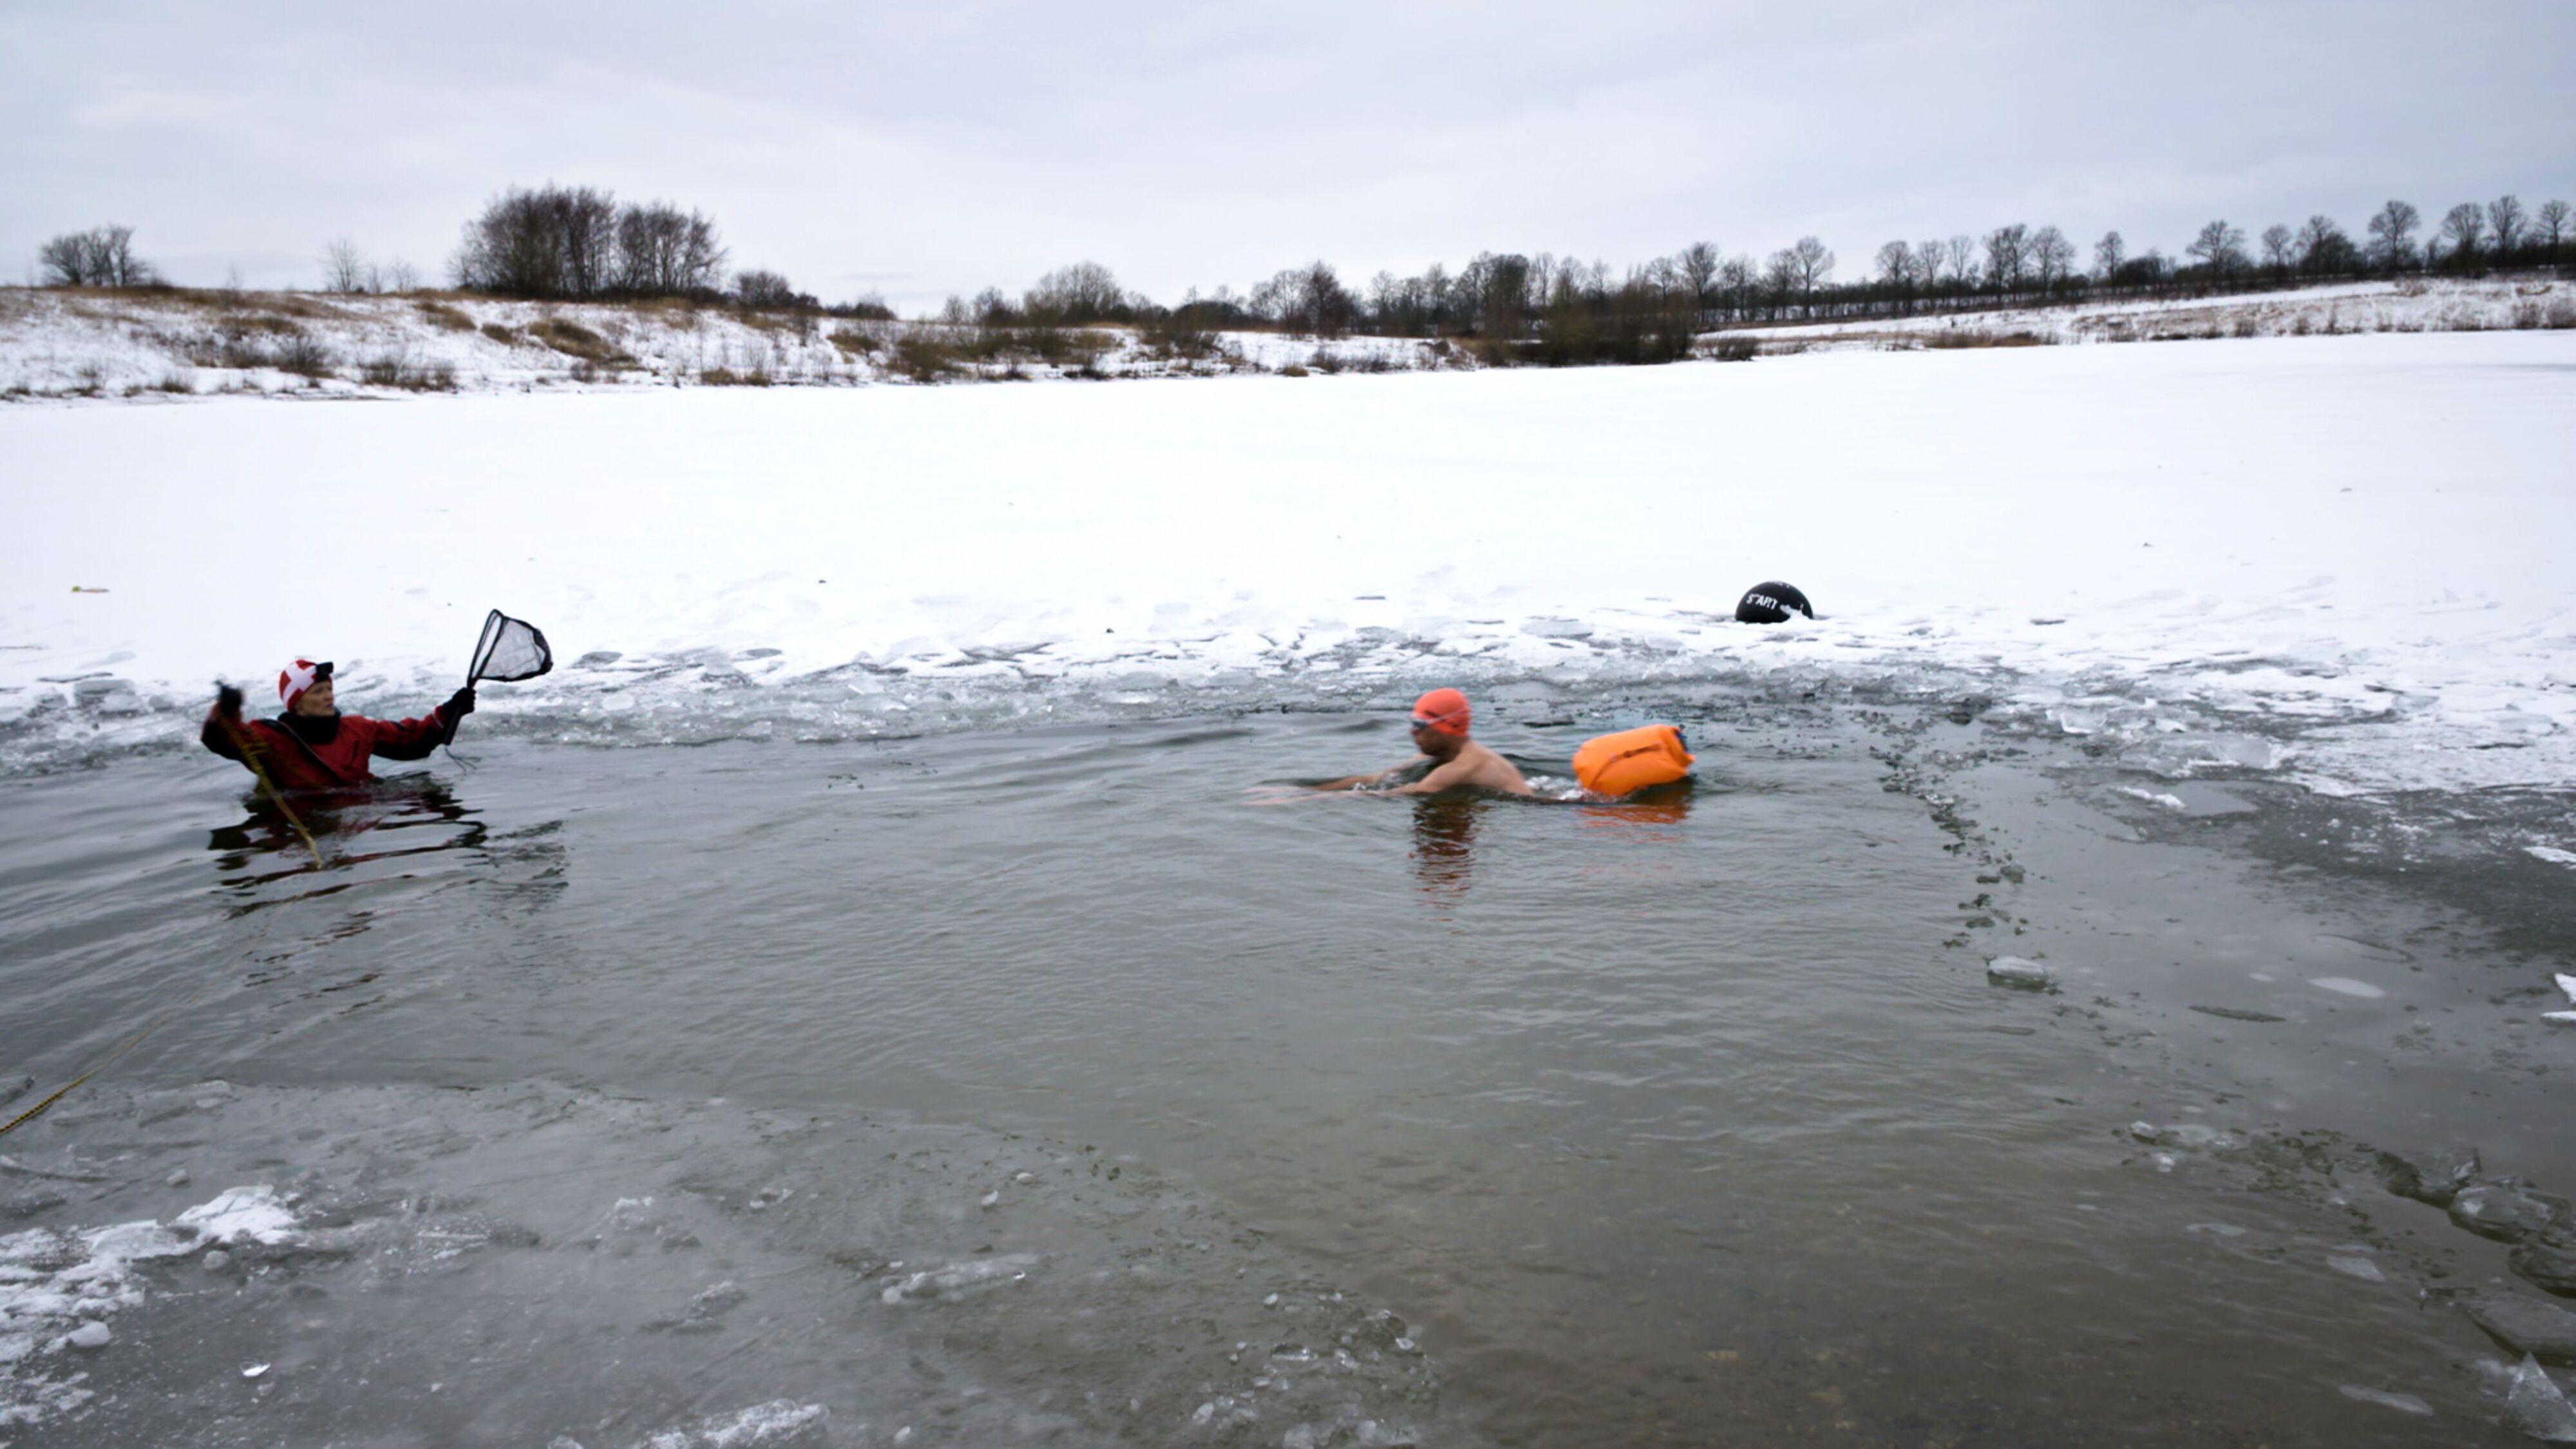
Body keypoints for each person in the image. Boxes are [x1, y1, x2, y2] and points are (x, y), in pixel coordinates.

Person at [202, 658, 475, 793]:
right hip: (301, 826)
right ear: (295, 703)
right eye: (318, 691)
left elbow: (414, 741)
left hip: (357, 817)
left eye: (329, 689)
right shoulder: (270, 738)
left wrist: (451, 710)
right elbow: (222, 739)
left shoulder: (357, 729)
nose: (328, 696)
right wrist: (226, 710)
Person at [1312, 688, 1533, 797]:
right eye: (1412, 722)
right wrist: (1299, 790)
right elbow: (1374, 780)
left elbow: (1392, 794)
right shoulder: (1437, 756)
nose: (1412, 731)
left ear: (1446, 726)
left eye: (1419, 724)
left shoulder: (1463, 767)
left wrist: (1298, 803)